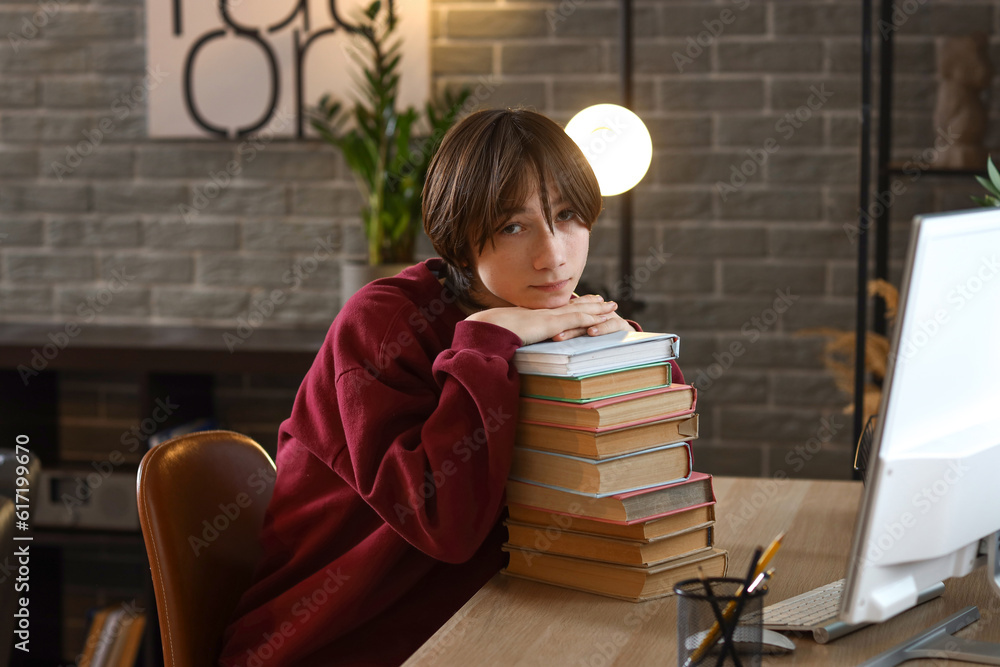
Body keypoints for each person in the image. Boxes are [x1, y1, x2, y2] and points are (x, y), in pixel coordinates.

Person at [217, 108, 684, 666]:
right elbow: (446, 524)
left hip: (500, 627)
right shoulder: (384, 325)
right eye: (514, 226)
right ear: (459, 240)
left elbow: (655, 473)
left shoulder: (550, 315)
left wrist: (617, 354)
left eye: (567, 216)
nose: (553, 254)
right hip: (340, 643)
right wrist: (486, 342)